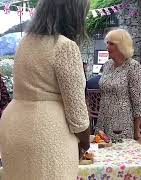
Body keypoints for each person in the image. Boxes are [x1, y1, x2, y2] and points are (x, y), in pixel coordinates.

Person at [0, 0, 91, 179]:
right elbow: (77, 111)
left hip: (15, 126)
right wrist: (85, 143)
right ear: (73, 13)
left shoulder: (25, 42)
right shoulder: (64, 46)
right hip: (47, 134)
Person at [96, 28, 141, 140]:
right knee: (101, 151)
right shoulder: (107, 65)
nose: (107, 46)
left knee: (118, 154)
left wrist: (137, 130)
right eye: (107, 43)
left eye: (111, 44)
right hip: (103, 118)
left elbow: (137, 99)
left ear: (121, 46)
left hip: (121, 122)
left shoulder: (133, 66)